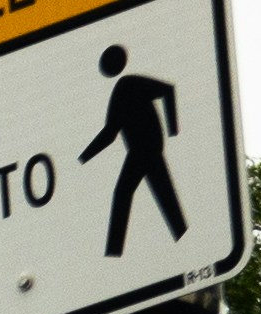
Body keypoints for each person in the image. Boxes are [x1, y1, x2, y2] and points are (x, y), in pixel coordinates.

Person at [76, 43, 185, 257]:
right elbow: (110, 133)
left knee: (124, 193)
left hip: (146, 148)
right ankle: (183, 237)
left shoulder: (129, 84)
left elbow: (168, 90)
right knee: (162, 195)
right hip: (143, 150)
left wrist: (173, 130)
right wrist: (82, 159)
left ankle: (113, 252)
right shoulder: (122, 89)